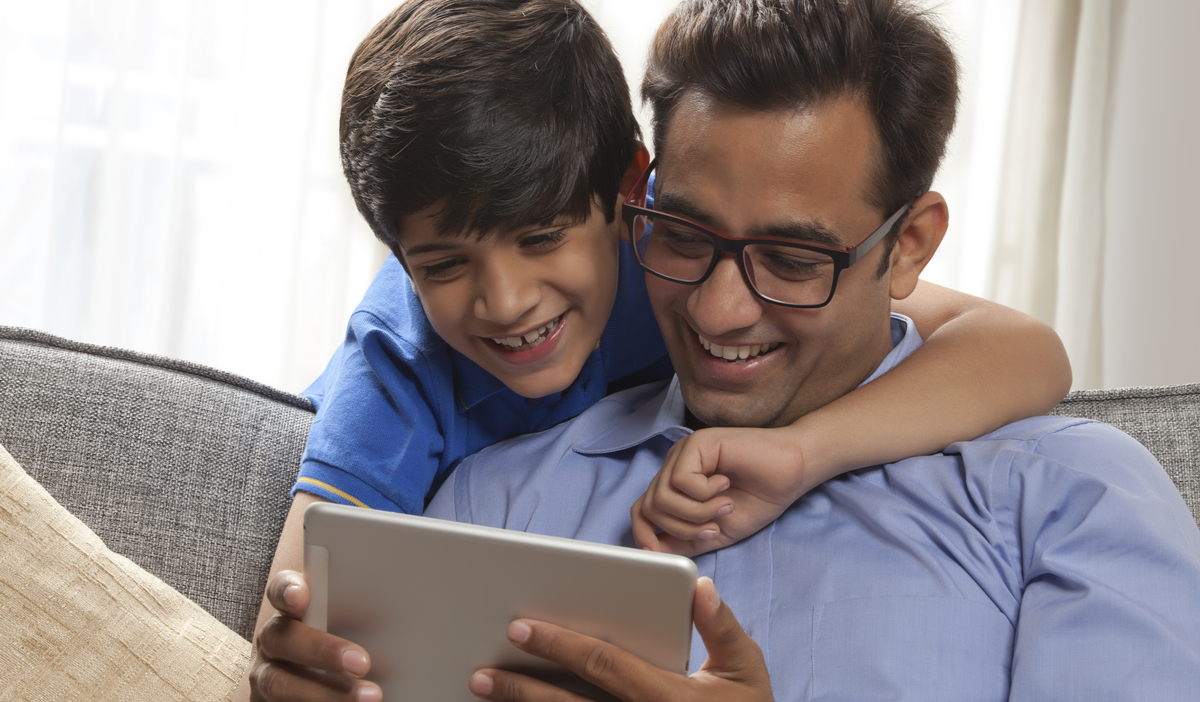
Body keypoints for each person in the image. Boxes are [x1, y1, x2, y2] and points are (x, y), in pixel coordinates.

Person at [251, 0, 1200, 700]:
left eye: (793, 259)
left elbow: (1028, 349)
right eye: (686, 235)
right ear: (642, 203)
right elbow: (302, 629)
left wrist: (805, 450)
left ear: (908, 246)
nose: (717, 309)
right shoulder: (479, 495)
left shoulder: (1067, 495)